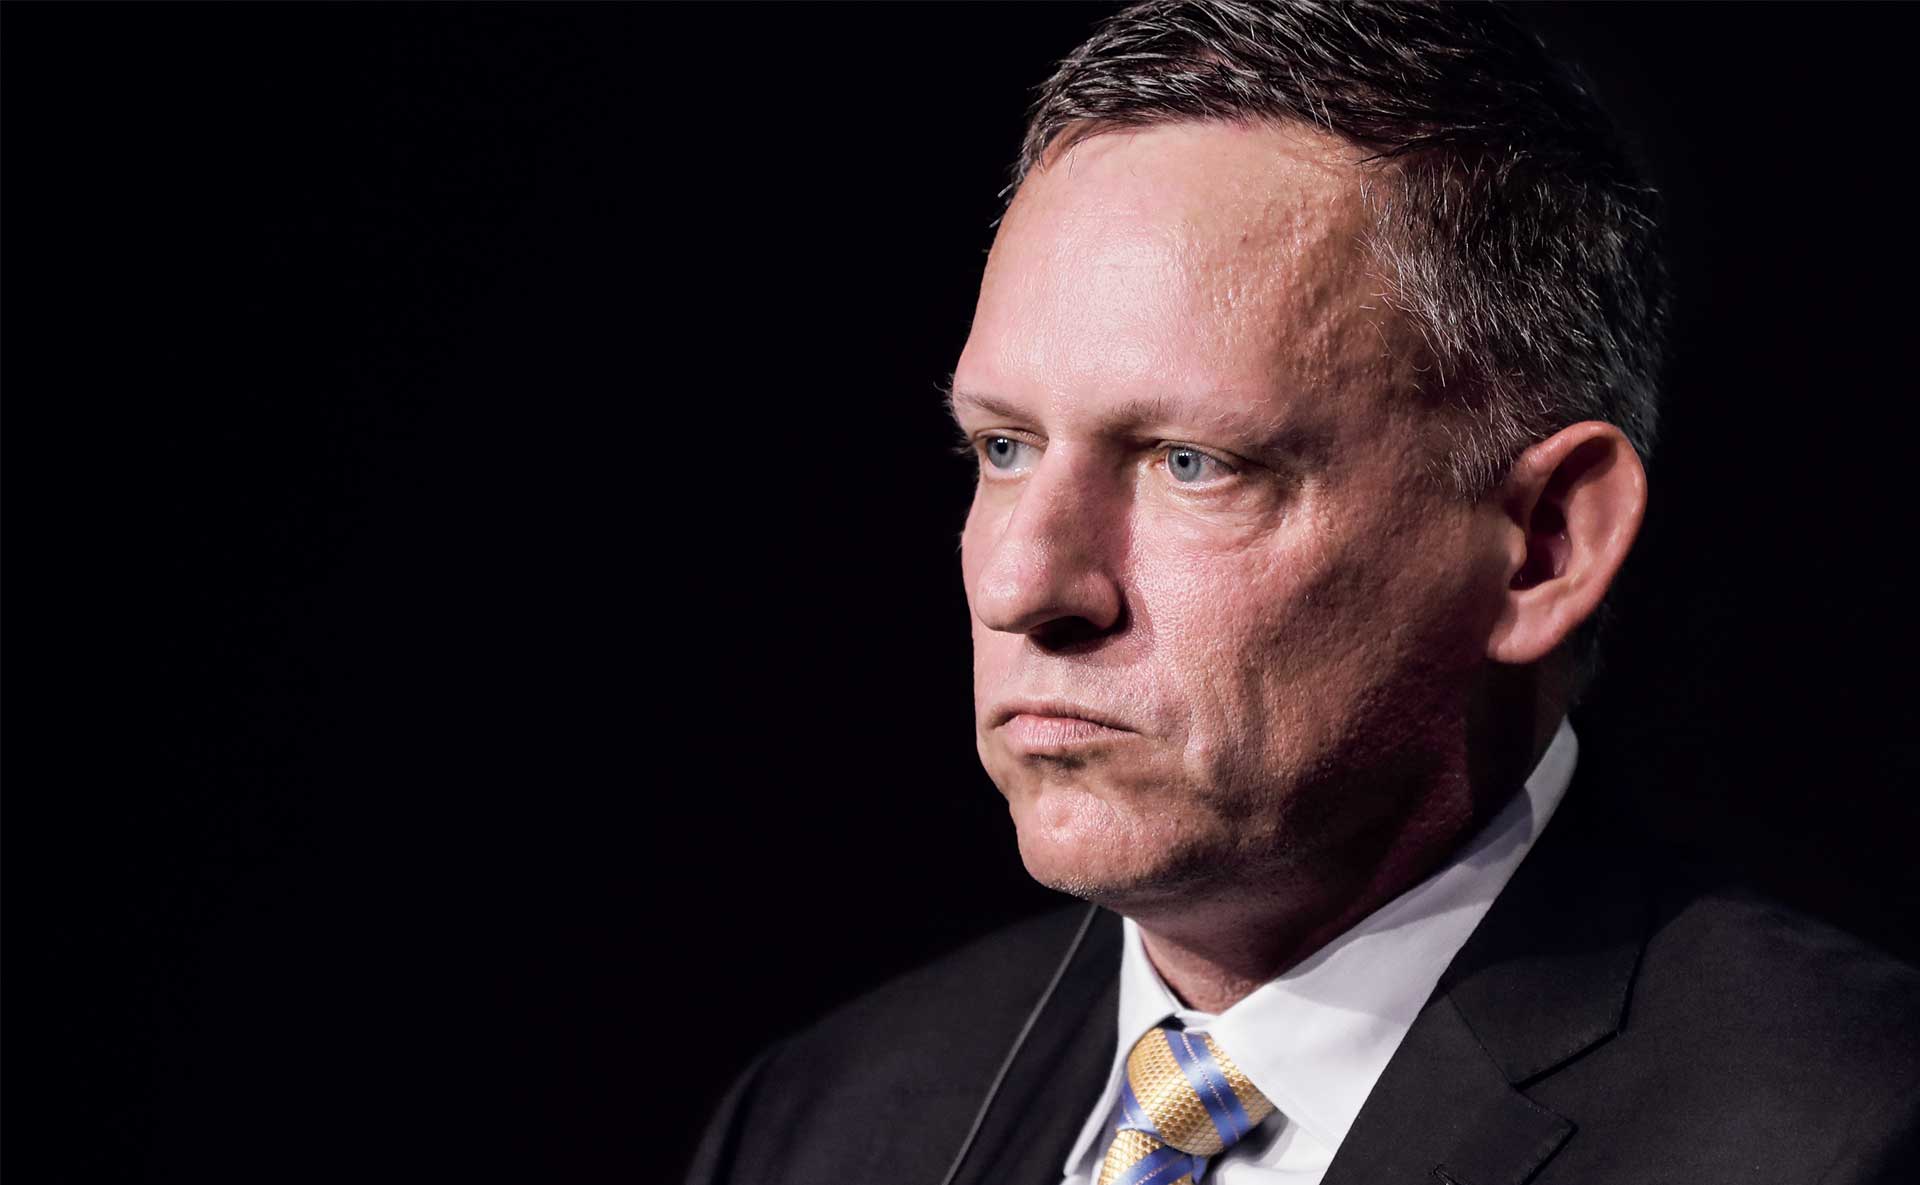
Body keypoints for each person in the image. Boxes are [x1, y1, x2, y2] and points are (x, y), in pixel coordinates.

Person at [685, 3, 1920, 1182]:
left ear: (1543, 544)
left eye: (1192, 463)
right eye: (1004, 447)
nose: (1024, 585)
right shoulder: (825, 1119)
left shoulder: (1852, 1133)